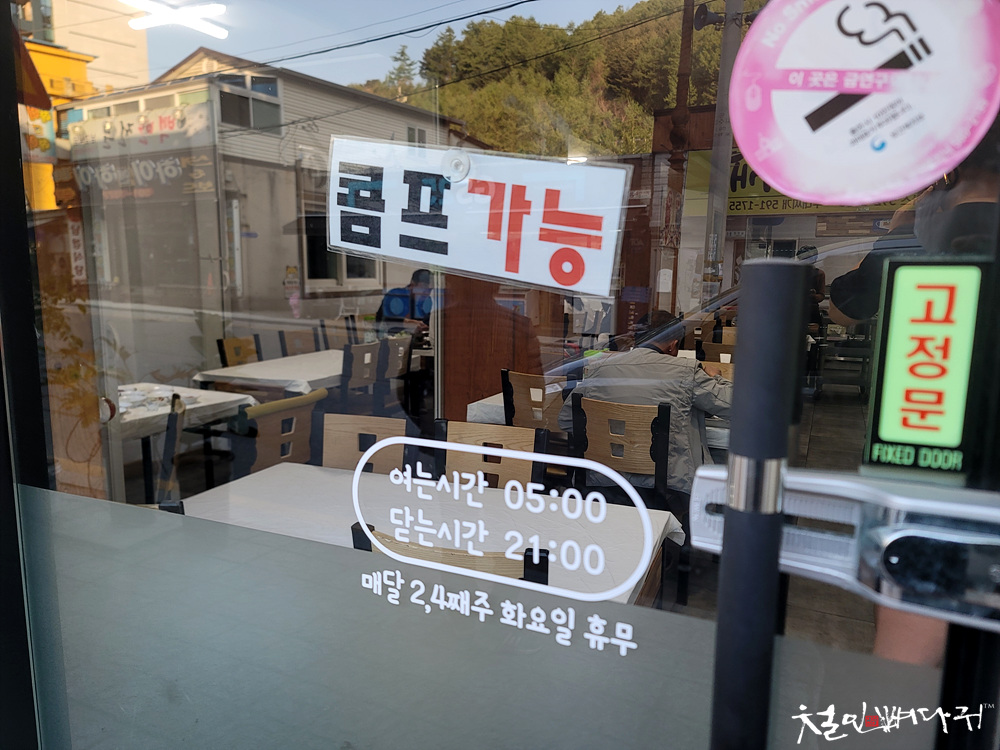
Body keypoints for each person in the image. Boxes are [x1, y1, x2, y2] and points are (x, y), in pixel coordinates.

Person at [557, 310, 733, 503]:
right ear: (673, 345)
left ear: (635, 338)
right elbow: (735, 407)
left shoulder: (600, 369)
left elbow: (566, 420)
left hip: (605, 482)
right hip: (669, 487)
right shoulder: (686, 372)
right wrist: (715, 377)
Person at [375, 268, 433, 337]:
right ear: (412, 284)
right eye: (424, 287)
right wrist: (407, 322)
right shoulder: (395, 295)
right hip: (392, 339)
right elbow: (384, 321)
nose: (427, 293)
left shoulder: (427, 302)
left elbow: (428, 324)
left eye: (430, 290)